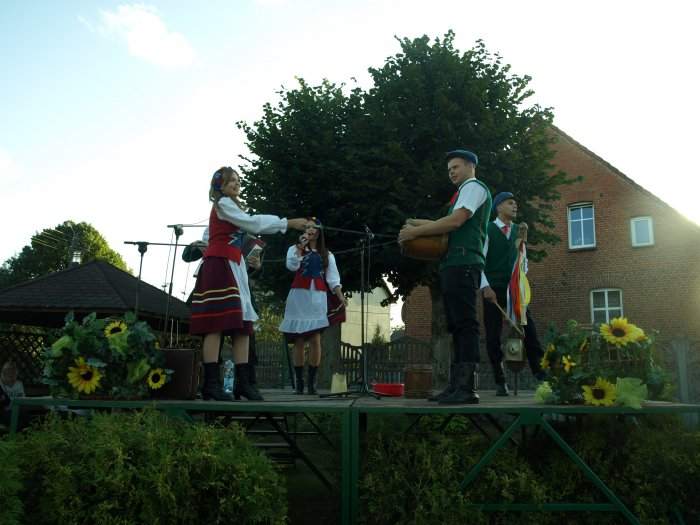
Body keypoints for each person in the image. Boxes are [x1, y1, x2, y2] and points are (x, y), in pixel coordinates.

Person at [189, 166, 307, 401]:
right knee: (216, 324)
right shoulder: (223, 204)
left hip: (234, 265)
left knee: (243, 325)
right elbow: (253, 223)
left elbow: (248, 226)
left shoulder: (231, 207)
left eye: (237, 180)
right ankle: (211, 384)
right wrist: (287, 223)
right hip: (220, 264)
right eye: (230, 180)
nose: (236, 183)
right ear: (219, 186)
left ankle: (243, 383)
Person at [399, 149, 492, 404]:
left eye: (456, 167)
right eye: (449, 169)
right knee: (456, 325)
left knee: (465, 324)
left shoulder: (473, 187)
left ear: (471, 166)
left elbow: (455, 222)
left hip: (464, 261)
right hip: (454, 262)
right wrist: (415, 224)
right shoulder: (462, 193)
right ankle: (455, 385)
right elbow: (446, 221)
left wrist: (415, 233)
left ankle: (466, 388)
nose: (451, 172)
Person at [481, 192, 546, 395]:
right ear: (499, 207)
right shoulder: (488, 229)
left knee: (529, 330)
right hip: (493, 288)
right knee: (493, 335)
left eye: (516, 203)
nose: (515, 206)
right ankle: (500, 380)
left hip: (515, 289)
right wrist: (485, 287)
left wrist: (520, 279)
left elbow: (523, 261)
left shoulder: (519, 231)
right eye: (510, 203)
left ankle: (541, 375)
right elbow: (479, 261)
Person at [279, 218, 344, 395]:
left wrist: (340, 296)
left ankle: (311, 383)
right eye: (308, 227)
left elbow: (333, 279)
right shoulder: (294, 249)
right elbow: (291, 266)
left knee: (315, 339)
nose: (311, 230)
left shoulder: (327, 254)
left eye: (314, 227)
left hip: (317, 297)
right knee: (299, 340)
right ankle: (299, 383)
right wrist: (300, 247)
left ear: (319, 231)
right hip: (299, 297)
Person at [0, 361, 25, 427]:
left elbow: (22, 399)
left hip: (16, 409)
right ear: (4, 373)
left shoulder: (19, 384)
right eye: (8, 371)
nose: (10, 374)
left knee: (23, 416)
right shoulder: (0, 384)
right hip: (4, 410)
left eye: (12, 372)